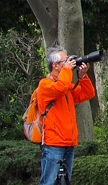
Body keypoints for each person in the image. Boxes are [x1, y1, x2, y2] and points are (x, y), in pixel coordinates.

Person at [35, 46, 95, 185]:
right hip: (53, 144)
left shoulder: (66, 85)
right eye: (65, 61)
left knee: (65, 182)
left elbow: (87, 94)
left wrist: (83, 76)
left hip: (69, 142)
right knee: (48, 182)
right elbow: (60, 88)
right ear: (55, 65)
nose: (69, 62)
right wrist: (68, 70)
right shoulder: (45, 85)